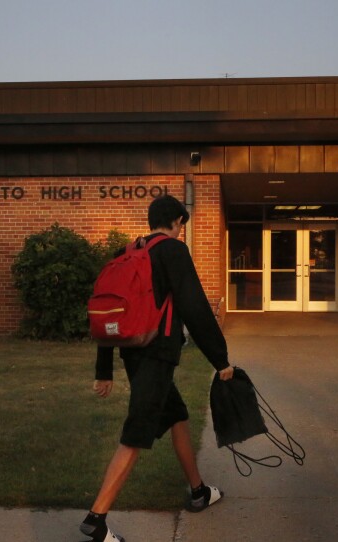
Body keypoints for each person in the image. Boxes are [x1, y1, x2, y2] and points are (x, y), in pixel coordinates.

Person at [80, 195, 234, 542]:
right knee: (137, 431)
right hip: (157, 355)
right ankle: (96, 519)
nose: (182, 232)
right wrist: (220, 360)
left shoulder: (128, 250)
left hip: (133, 352)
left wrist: (104, 369)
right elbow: (193, 306)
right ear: (178, 222)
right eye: (183, 226)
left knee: (176, 414)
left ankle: (198, 491)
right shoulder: (173, 251)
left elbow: (107, 311)